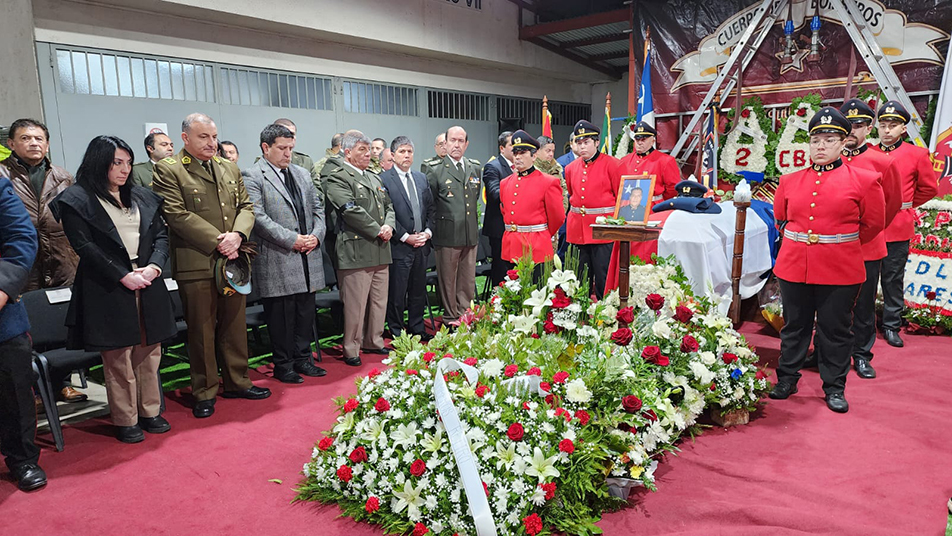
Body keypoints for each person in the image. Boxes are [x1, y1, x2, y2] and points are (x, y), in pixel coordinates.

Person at [51, 135, 177, 443]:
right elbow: (84, 246)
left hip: (148, 279)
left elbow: (160, 235)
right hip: (107, 284)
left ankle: (150, 411)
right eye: (116, 163)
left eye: (128, 163)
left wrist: (155, 267)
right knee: (119, 358)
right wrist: (122, 275)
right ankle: (125, 418)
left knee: (150, 352)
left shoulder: (142, 196)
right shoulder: (76, 199)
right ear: (99, 163)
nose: (124, 170)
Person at [152, 113, 271, 419]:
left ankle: (237, 381)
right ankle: (204, 390)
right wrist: (220, 240)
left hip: (233, 259)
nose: (211, 143)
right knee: (202, 330)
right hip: (198, 261)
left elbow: (246, 206)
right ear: (185, 138)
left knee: (234, 325)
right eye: (203, 137)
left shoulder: (228, 166)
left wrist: (238, 235)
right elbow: (176, 215)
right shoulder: (170, 170)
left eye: (214, 136)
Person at [769, 107, 885, 414]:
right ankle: (787, 378)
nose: (821, 145)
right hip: (794, 265)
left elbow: (873, 224)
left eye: (830, 139)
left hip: (840, 267)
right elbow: (781, 218)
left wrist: (838, 243)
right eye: (816, 139)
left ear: (843, 142)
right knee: (795, 326)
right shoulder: (789, 181)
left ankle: (834, 386)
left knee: (835, 330)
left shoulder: (865, 180)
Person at [804, 99, 903, 379]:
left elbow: (891, 203)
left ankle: (861, 354)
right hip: (828, 245)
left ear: (868, 127)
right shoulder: (829, 160)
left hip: (865, 246)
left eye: (859, 125)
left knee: (862, 305)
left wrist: (864, 233)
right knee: (825, 304)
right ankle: (822, 350)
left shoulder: (881, 161)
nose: (853, 130)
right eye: (849, 124)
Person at [0, 118, 86, 403]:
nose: (34, 143)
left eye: (39, 138)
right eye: (25, 138)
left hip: (61, 258)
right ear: (10, 144)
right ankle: (32, 389)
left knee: (61, 322)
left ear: (47, 144)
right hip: (22, 263)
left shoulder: (62, 176)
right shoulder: (2, 175)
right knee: (26, 330)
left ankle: (63, 382)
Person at [243, 124, 327, 384]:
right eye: (282, 148)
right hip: (278, 255)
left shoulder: (302, 173)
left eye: (291, 148)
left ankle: (303, 359)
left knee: (305, 312)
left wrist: (316, 234)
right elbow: (258, 217)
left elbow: (318, 208)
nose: (288, 153)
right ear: (266, 148)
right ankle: (283, 364)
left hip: (307, 254)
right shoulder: (253, 175)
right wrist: (293, 240)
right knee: (281, 316)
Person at [870, 100, 939, 348]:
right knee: (865, 279)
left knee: (892, 278)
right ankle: (863, 326)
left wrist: (905, 203)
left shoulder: (916, 154)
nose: (887, 130)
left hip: (897, 225)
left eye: (893, 125)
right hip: (870, 227)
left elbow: (930, 188)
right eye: (883, 125)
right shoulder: (868, 152)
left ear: (903, 129)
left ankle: (891, 324)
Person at [324, 130, 395, 365]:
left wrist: (389, 226)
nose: (368, 154)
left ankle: (373, 341)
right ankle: (351, 347)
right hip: (356, 250)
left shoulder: (374, 177)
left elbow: (389, 206)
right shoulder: (337, 176)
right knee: (355, 305)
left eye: (369, 150)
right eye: (361, 150)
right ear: (347, 152)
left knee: (378, 301)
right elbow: (350, 209)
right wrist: (377, 229)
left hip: (380, 248)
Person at [0, 175, 45, 491]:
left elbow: (21, 237)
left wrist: (2, 289)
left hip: (2, 313)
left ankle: (23, 460)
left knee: (13, 392)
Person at [422, 126, 481, 328]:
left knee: (467, 279)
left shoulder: (474, 167)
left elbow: (473, 201)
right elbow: (429, 204)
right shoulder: (434, 169)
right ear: (445, 143)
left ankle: (465, 315)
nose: (456, 145)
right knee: (448, 280)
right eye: (452, 140)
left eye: (461, 141)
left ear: (466, 144)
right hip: (446, 234)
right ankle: (450, 318)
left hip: (469, 233)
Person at [380, 136, 435, 341]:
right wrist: (405, 236)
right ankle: (397, 332)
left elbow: (431, 209)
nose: (406, 155)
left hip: (422, 245)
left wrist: (427, 233)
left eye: (409, 152)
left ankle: (417, 329)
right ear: (393, 155)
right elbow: (387, 212)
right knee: (397, 292)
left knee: (418, 291)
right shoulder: (384, 179)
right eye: (402, 152)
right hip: (399, 245)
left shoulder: (421, 178)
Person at [564, 120, 622, 298]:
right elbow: (572, 195)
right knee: (579, 278)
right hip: (578, 231)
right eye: (579, 143)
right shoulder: (571, 168)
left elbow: (621, 198)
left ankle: (605, 316)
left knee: (604, 277)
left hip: (603, 231)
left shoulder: (613, 164)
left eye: (586, 142)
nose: (582, 147)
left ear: (597, 142)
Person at [499, 130, 565, 265]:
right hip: (511, 246)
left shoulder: (548, 182)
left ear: (534, 156)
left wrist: (542, 234)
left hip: (536, 247)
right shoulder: (505, 183)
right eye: (515, 153)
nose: (518, 157)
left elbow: (557, 217)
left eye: (522, 153)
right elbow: (505, 212)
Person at [618, 121, 681, 203]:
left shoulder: (665, 161)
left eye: (643, 139)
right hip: (628, 207)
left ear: (652, 142)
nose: (640, 143)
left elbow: (673, 189)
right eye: (637, 139)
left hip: (654, 209)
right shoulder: (624, 160)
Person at [482, 131, 514, 286]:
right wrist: (520, 191)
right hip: (499, 228)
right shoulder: (492, 167)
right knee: (501, 269)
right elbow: (495, 194)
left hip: (516, 229)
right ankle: (498, 302)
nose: (516, 150)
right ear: (502, 148)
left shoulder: (521, 166)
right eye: (512, 145)